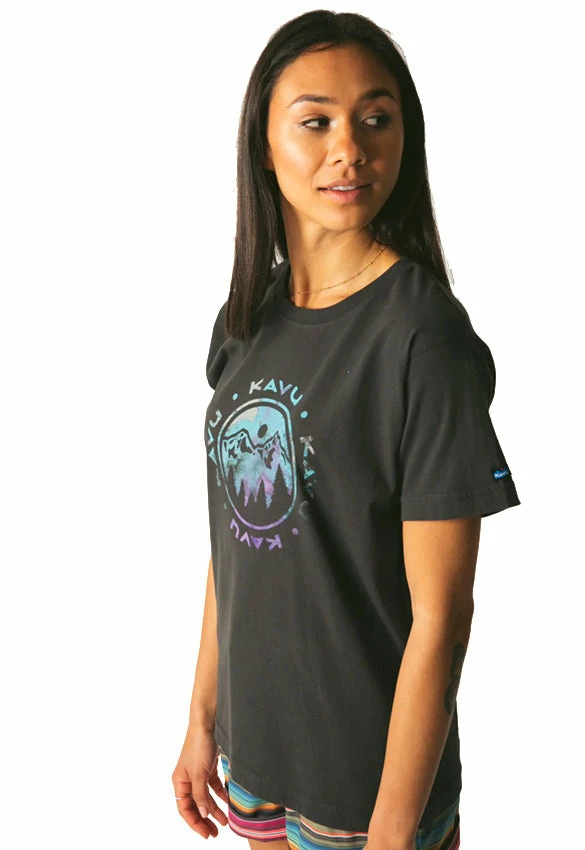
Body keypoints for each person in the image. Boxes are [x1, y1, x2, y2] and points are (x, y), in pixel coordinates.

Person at [173, 10, 521, 850]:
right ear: (264, 144)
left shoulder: (423, 338)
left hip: (366, 791)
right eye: (316, 121)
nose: (350, 149)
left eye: (376, 119)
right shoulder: (247, 321)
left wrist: (395, 827)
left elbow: (444, 618)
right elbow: (240, 540)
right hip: (257, 766)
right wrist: (202, 718)